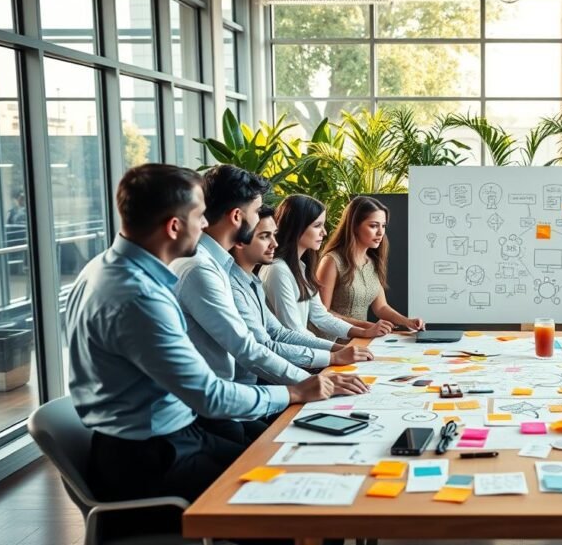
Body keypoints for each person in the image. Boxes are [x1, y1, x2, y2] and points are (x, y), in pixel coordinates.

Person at [66, 164, 338, 538]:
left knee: (293, 465)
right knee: (297, 500)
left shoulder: (103, 269)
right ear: (174, 226)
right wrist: (293, 391)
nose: (205, 224)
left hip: (160, 438)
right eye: (199, 216)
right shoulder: (140, 296)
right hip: (152, 459)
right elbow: (210, 396)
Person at [170, 166, 368, 444]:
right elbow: (248, 348)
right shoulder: (201, 269)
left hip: (236, 400)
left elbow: (272, 335)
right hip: (216, 408)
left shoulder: (220, 265)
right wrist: (308, 382)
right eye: (257, 211)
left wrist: (328, 365)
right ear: (238, 216)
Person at [229, 204, 374, 385]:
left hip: (280, 373)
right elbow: (274, 341)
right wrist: (332, 357)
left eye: (273, 235)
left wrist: (339, 350)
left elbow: (281, 332)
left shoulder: (271, 275)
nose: (324, 232)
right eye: (265, 236)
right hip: (264, 380)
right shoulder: (274, 271)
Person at [260, 195, 388, 340]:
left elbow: (320, 316)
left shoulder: (301, 268)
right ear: (297, 226)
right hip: (289, 358)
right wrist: (336, 351)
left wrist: (363, 332)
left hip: (304, 353)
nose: (324, 232)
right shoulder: (278, 270)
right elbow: (294, 331)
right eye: (317, 226)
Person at [316, 196, 425, 332]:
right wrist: (367, 326)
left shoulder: (372, 262)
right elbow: (321, 313)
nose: (380, 232)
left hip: (361, 337)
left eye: (383, 226)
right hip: (332, 341)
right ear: (354, 226)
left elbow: (381, 307)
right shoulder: (331, 261)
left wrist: (407, 322)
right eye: (373, 226)